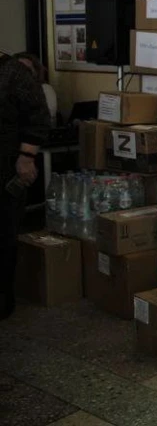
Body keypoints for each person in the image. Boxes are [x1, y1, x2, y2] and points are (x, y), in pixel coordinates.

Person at [0, 52, 51, 319]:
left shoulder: (13, 72)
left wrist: (26, 157)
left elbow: (39, 117)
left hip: (5, 167)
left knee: (4, 235)